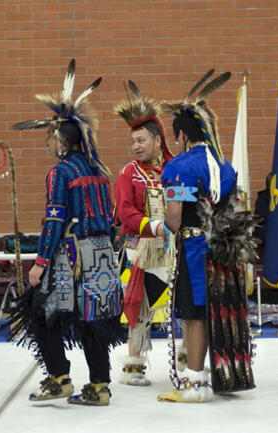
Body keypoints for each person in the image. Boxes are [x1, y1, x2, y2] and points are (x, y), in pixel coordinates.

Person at [9, 61, 124, 406]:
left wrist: (40, 263)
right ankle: (100, 386)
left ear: (60, 140)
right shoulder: (99, 171)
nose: (47, 143)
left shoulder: (60, 172)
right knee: (94, 320)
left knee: (38, 309)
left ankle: (59, 378)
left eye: (49, 137)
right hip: (103, 257)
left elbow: (54, 221)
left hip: (71, 259)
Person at [156, 69, 254, 403]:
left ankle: (195, 383)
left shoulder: (180, 167)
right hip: (224, 252)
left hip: (195, 249)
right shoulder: (225, 165)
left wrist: (166, 226)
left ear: (182, 134)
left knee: (194, 315)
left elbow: (174, 217)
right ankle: (217, 372)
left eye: (176, 136)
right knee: (218, 310)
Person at [111, 81, 173, 386]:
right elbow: (125, 212)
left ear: (158, 140)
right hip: (141, 252)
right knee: (139, 307)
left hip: (173, 249)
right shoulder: (129, 173)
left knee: (180, 308)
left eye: (142, 139)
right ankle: (133, 368)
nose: (136, 146)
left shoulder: (172, 169)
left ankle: (185, 363)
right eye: (133, 141)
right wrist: (155, 226)